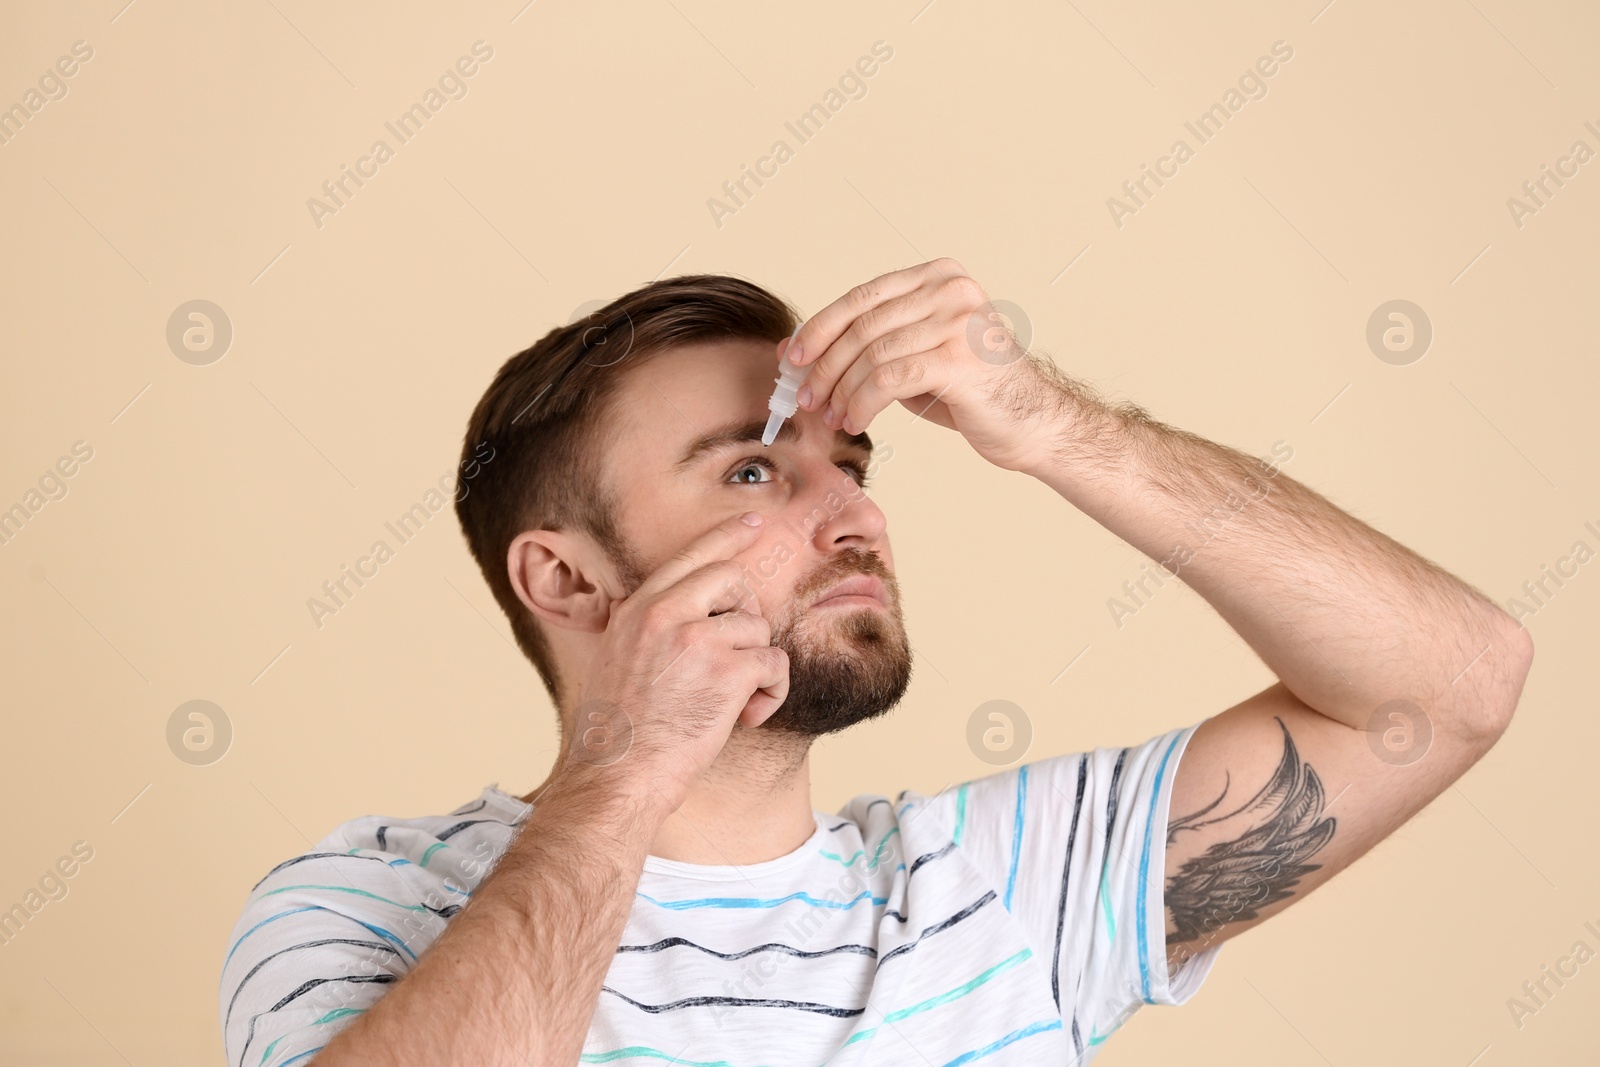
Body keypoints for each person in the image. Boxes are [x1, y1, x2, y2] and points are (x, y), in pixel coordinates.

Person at [218, 259, 1533, 1066]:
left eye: (851, 464)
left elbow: (1452, 682)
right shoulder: (365, 908)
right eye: (750, 469)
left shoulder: (1001, 897)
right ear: (568, 578)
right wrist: (625, 768)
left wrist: (1056, 428)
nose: (855, 515)